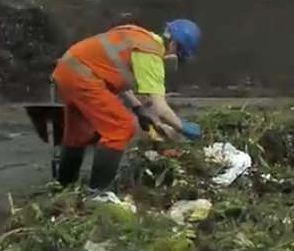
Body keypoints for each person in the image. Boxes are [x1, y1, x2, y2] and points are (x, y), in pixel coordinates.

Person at [50, 18, 201, 189]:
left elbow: (112, 75)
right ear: (174, 45)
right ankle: (98, 192)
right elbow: (161, 108)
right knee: (120, 127)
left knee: (79, 134)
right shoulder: (150, 53)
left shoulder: (140, 38)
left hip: (68, 70)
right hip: (83, 77)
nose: (176, 61)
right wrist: (183, 127)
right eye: (180, 56)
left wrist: (138, 108)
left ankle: (63, 187)